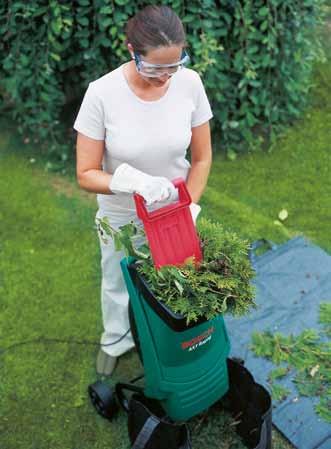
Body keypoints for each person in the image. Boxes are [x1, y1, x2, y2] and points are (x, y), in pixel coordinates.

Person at [74, 5, 213, 376]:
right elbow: (86, 173)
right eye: (154, 68)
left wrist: (188, 205)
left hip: (174, 214)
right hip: (121, 212)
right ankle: (116, 340)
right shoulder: (102, 94)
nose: (165, 77)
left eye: (174, 65)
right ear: (130, 49)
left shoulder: (191, 84)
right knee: (119, 283)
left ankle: (169, 341)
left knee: (175, 281)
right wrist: (130, 182)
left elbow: (201, 159)